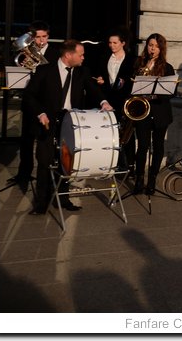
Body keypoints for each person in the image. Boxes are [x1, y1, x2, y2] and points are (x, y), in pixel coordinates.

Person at [22, 39, 111, 214]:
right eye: (81, 54)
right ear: (68, 55)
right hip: (47, 122)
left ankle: (63, 198)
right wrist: (40, 113)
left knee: (67, 162)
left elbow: (93, 89)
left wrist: (104, 102)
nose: (83, 58)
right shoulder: (44, 71)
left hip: (70, 122)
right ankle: (41, 203)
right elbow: (29, 96)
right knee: (45, 162)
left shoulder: (82, 72)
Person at [14, 20, 60, 192]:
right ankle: (23, 174)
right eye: (38, 37)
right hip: (30, 102)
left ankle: (46, 177)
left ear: (48, 36)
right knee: (25, 140)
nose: (41, 40)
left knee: (44, 142)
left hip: (46, 103)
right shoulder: (26, 54)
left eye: (44, 36)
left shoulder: (55, 55)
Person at [132, 33, 176, 195]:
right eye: (150, 45)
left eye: (156, 46)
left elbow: (172, 91)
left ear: (161, 48)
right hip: (142, 111)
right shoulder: (139, 63)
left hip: (160, 112)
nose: (153, 48)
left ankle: (152, 179)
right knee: (142, 146)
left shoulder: (167, 67)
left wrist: (156, 93)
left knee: (158, 147)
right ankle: (138, 179)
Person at [94, 28, 137, 173]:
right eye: (110, 42)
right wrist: (100, 80)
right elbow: (100, 75)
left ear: (123, 43)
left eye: (115, 43)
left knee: (126, 134)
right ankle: (111, 163)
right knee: (109, 133)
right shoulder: (104, 57)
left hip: (124, 101)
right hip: (108, 100)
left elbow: (133, 80)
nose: (112, 45)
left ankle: (130, 165)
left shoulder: (132, 59)